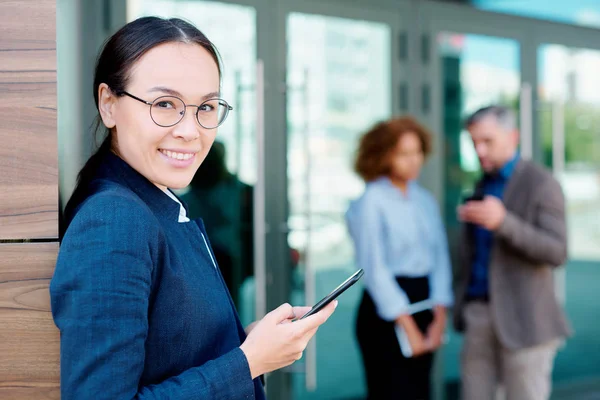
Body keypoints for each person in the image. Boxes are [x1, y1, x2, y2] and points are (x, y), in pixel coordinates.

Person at [50, 16, 336, 400]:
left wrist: (246, 347)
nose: (191, 130)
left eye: (207, 107)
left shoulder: (156, 205)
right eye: (165, 104)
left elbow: (172, 347)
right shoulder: (114, 221)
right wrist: (247, 362)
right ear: (109, 104)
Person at [455, 105, 571, 400]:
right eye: (474, 142)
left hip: (526, 320)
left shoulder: (541, 183)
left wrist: (503, 222)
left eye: (487, 141)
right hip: (479, 316)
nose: (479, 150)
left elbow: (557, 251)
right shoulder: (482, 183)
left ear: (513, 136)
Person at [345, 116, 453, 399]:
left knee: (420, 392)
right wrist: (408, 328)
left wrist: (439, 318)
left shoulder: (424, 199)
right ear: (383, 156)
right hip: (387, 313)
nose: (414, 160)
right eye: (404, 154)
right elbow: (374, 268)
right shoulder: (371, 201)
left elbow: (440, 259)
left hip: (425, 303)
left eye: (417, 152)